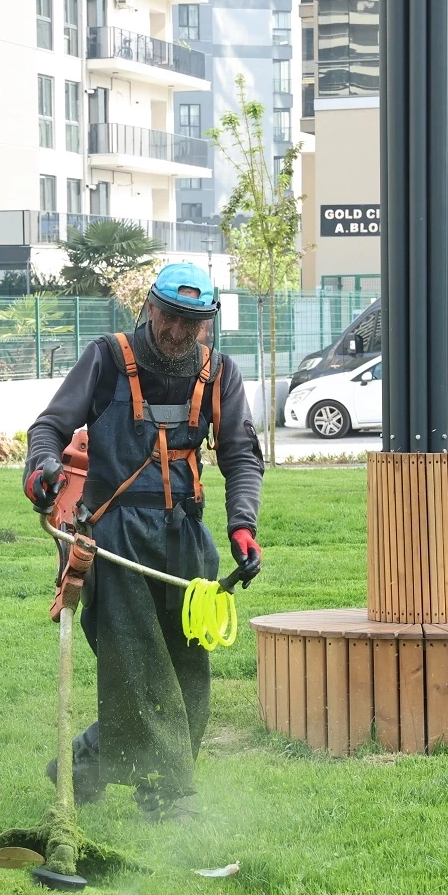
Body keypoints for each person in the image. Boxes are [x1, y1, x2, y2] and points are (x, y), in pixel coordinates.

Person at [22, 262, 265, 819]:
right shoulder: (107, 358)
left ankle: (86, 761)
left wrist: (242, 525)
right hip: (112, 537)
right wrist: (41, 469)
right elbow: (49, 428)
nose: (179, 332)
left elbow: (240, 454)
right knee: (141, 665)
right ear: (150, 308)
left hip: (186, 539)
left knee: (188, 669)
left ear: (207, 323)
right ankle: (169, 794)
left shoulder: (219, 373)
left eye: (192, 322)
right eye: (170, 317)